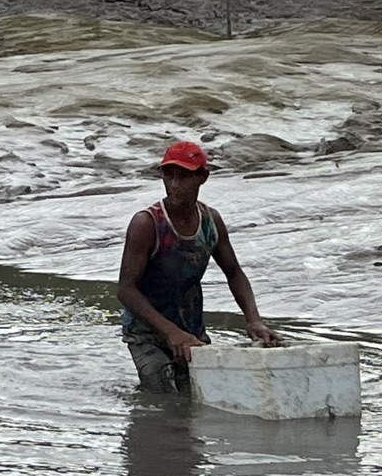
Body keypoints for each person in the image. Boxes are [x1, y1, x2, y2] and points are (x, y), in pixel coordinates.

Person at [115, 139, 278, 394]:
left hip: (191, 331)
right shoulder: (147, 224)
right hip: (147, 334)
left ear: (202, 177)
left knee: (202, 395)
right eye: (169, 176)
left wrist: (254, 320)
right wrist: (170, 333)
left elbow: (234, 272)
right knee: (162, 396)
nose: (174, 185)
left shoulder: (210, 222)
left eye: (183, 177)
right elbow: (126, 290)